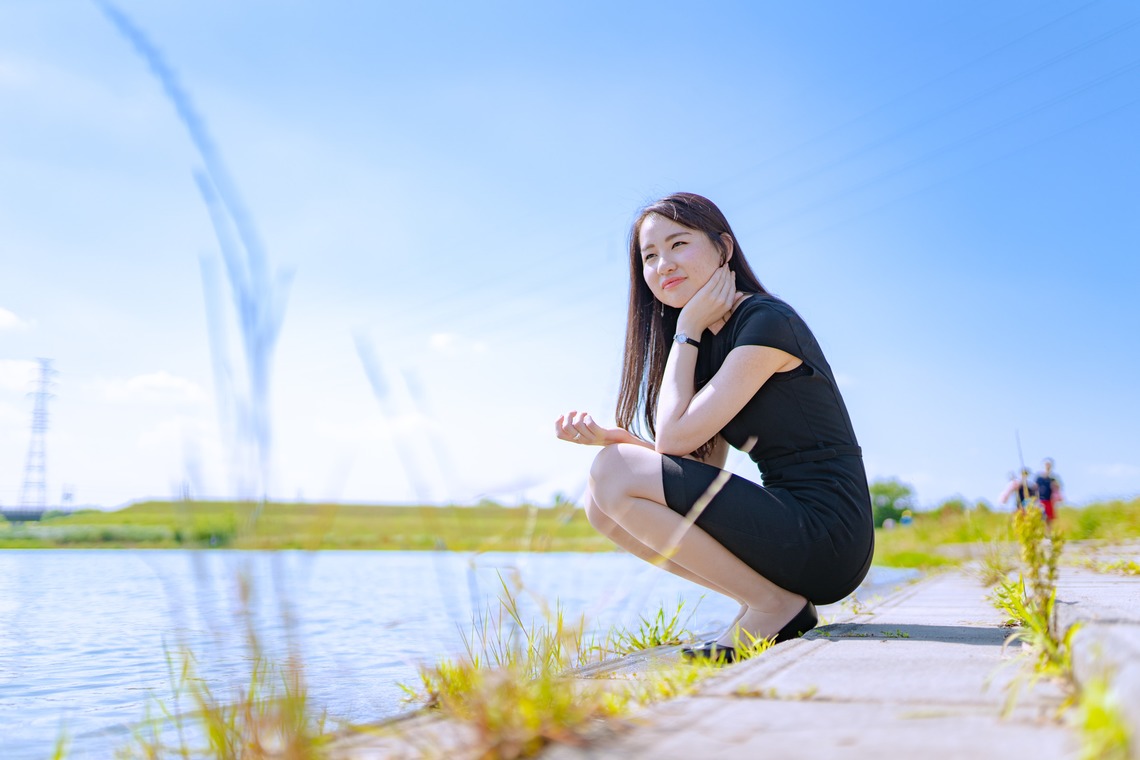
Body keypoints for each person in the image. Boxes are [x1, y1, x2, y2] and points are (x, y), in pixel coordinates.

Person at [555, 193, 874, 662]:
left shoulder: (765, 322)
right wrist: (623, 444)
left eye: (678, 244)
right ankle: (764, 601)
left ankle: (773, 606)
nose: (663, 265)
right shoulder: (710, 344)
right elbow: (692, 462)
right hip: (794, 528)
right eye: (649, 256)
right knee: (600, 503)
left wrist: (686, 329)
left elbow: (674, 440)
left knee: (615, 473)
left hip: (829, 536)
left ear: (723, 249)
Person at [1035, 458, 1063, 523]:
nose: (1047, 466)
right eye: (1046, 464)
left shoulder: (1053, 478)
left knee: (1049, 520)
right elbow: (1035, 489)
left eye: (1049, 465)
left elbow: (1058, 488)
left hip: (1050, 501)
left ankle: (1048, 533)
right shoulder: (1039, 478)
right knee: (1040, 519)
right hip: (1040, 501)